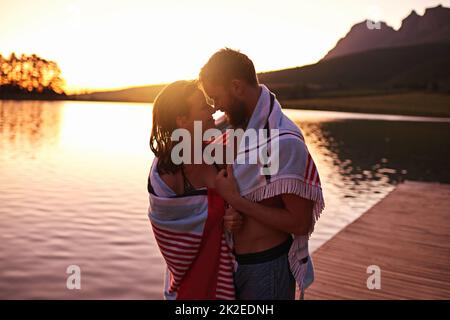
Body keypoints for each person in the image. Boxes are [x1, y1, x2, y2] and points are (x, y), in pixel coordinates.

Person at [199, 48, 325, 300]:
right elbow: (254, 188)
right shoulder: (236, 131)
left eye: (215, 97)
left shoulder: (282, 141)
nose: (215, 107)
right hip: (235, 266)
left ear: (236, 86)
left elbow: (300, 222)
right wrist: (229, 212)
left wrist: (236, 201)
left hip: (266, 269)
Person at [147, 80, 239, 299]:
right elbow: (174, 239)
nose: (212, 109)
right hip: (191, 287)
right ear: (182, 119)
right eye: (203, 106)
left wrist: (236, 212)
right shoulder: (166, 174)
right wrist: (220, 217)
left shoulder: (219, 155)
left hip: (232, 276)